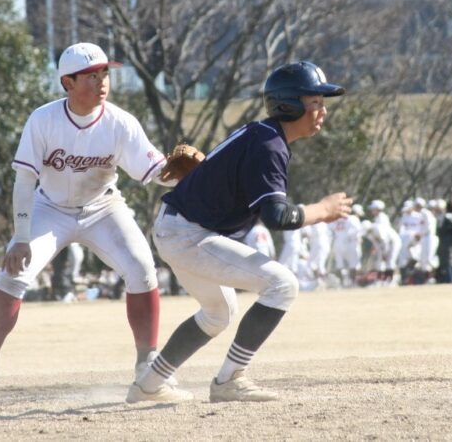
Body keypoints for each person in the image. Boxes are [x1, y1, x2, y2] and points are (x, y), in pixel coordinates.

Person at [0, 42, 179, 391]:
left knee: (142, 268)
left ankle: (147, 363)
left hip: (104, 208)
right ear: (68, 83)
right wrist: (22, 235)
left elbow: (154, 172)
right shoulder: (43, 119)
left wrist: (183, 172)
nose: (101, 81)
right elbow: (25, 179)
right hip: (50, 208)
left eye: (104, 73)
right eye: (90, 76)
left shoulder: (121, 122)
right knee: (12, 274)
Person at [128, 61, 352, 404]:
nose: (322, 110)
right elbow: (276, 216)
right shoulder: (269, 145)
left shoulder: (264, 135)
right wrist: (323, 210)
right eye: (315, 102)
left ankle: (149, 384)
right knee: (282, 284)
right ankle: (230, 380)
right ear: (289, 105)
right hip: (188, 233)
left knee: (218, 313)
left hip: (178, 227)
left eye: (323, 103)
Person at [330, 203, 363, 287]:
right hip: (349, 243)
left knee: (339, 264)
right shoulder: (353, 218)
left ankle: (342, 283)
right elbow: (358, 231)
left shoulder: (334, 219)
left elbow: (330, 230)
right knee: (353, 264)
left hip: (338, 243)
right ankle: (352, 283)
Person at [433, 199, 452, 283]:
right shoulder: (434, 218)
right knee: (439, 262)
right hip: (438, 244)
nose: (438, 211)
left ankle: (450, 279)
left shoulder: (448, 219)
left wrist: (451, 243)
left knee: (447, 262)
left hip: (446, 244)